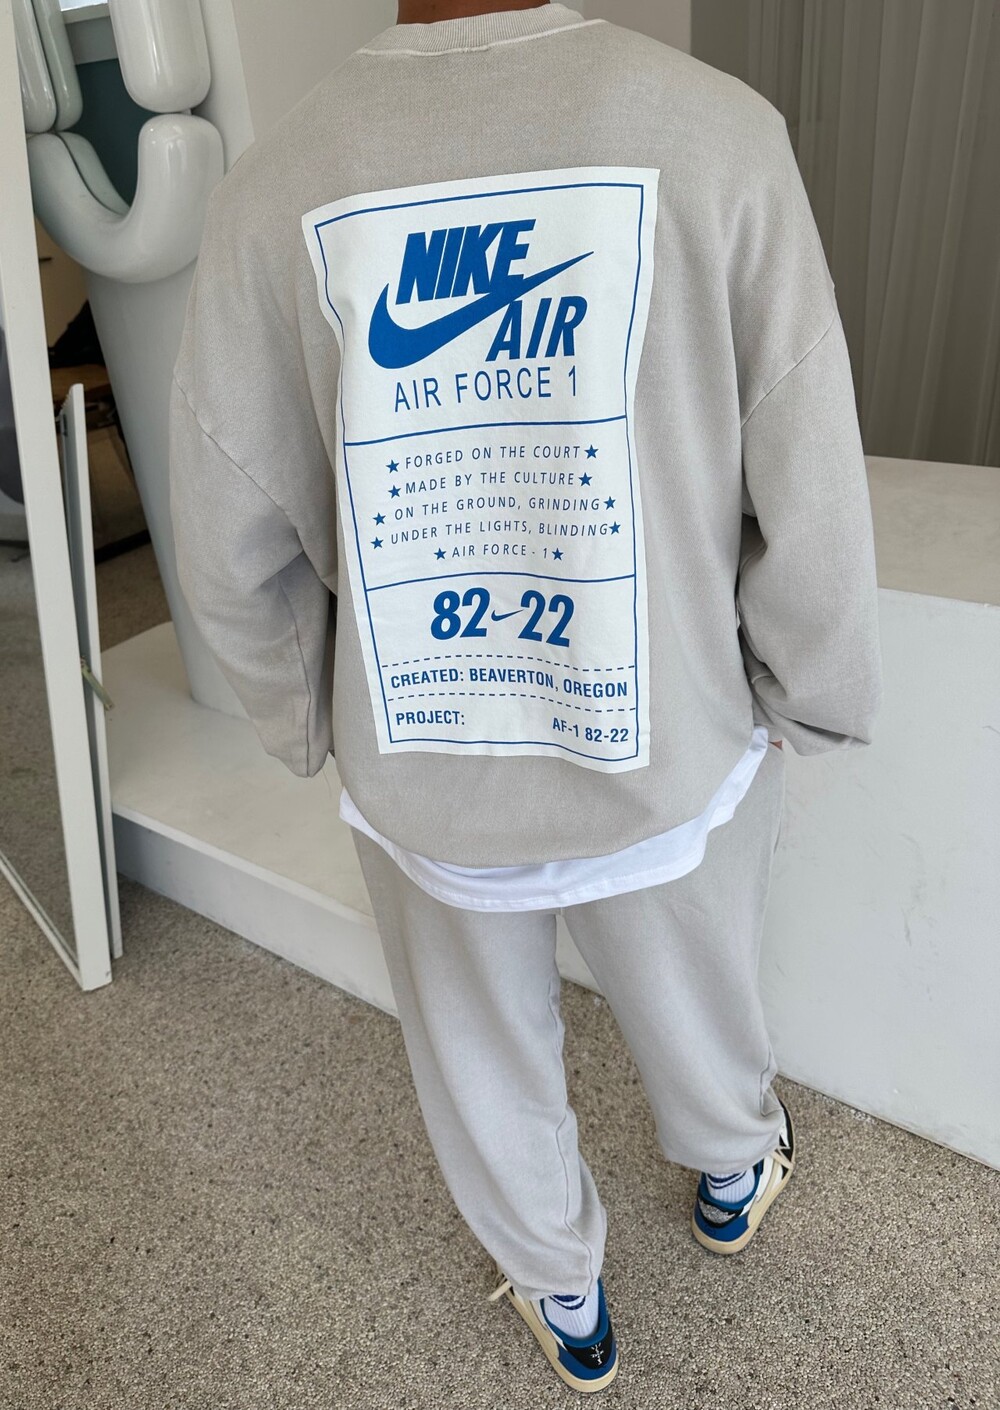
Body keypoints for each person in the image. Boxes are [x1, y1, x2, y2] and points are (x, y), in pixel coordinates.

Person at [168, 0, 883, 1393]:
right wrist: (812, 686)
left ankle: (563, 1291)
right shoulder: (718, 136)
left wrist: (302, 714)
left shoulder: (273, 187)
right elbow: (808, 468)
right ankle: (733, 1163)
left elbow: (228, 527)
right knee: (695, 980)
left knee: (478, 1045)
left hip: (423, 759)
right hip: (667, 738)